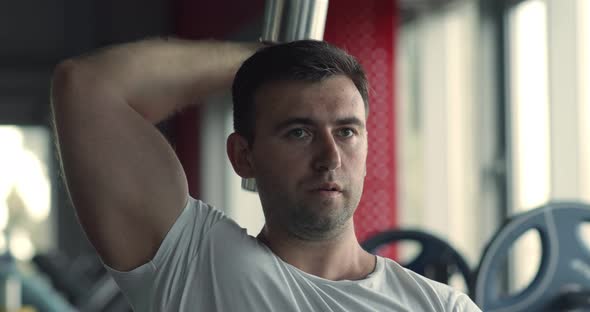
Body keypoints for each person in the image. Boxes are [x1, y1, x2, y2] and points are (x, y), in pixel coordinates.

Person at [51, 37, 481, 311]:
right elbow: (87, 86)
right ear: (243, 156)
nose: (330, 156)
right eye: (299, 132)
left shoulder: (441, 307)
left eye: (347, 131)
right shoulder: (195, 265)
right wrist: (263, 56)